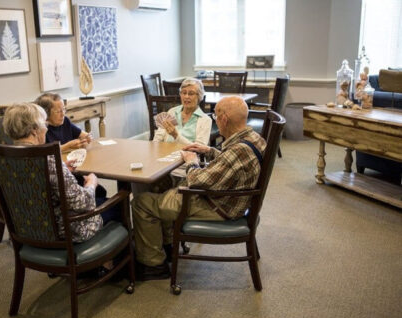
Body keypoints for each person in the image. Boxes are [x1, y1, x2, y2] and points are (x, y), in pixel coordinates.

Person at [131, 96, 267, 280]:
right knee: (161, 188)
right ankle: (169, 245)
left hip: (218, 206)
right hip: (231, 199)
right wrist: (209, 151)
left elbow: (197, 180)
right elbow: (233, 164)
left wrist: (191, 161)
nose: (216, 121)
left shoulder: (237, 150)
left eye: (216, 116)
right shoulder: (253, 138)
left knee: (142, 202)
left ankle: (153, 264)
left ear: (224, 119)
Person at [3, 102, 110, 243]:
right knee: (116, 204)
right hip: (63, 232)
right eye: (44, 124)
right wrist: (91, 183)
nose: (46, 129)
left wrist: (62, 168)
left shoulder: (3, 158)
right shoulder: (48, 160)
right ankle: (106, 263)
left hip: (24, 231)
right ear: (34, 130)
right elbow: (85, 203)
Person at [35, 92, 107, 198]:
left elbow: (84, 135)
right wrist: (68, 145)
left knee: (101, 191)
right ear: (46, 114)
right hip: (62, 176)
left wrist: (87, 138)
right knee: (97, 191)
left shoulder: (65, 122)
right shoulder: (43, 130)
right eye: (58, 111)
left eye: (64, 109)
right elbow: (47, 151)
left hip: (71, 169)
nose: (63, 114)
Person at [153, 78, 212, 145]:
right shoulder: (172, 112)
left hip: (189, 154)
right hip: (166, 153)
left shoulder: (205, 120)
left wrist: (176, 136)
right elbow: (158, 137)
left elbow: (199, 148)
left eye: (191, 94)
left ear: (199, 96)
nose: (186, 96)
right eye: (184, 93)